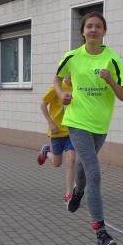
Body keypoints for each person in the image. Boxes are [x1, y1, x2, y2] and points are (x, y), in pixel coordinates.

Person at [55, 11, 123, 245]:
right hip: (76, 121)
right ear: (82, 31)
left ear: (104, 31)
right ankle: (101, 232)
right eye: (89, 26)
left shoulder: (112, 59)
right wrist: (61, 94)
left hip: (100, 126)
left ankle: (78, 192)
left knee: (84, 167)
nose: (93, 30)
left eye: (98, 26)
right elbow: (57, 78)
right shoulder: (72, 56)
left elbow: (122, 95)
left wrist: (110, 81)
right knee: (94, 172)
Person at [37, 77, 77, 208]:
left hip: (71, 132)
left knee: (71, 160)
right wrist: (51, 123)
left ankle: (69, 195)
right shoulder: (56, 88)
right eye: (69, 73)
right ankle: (46, 152)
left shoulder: (78, 88)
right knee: (57, 163)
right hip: (57, 131)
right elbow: (43, 105)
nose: (71, 75)